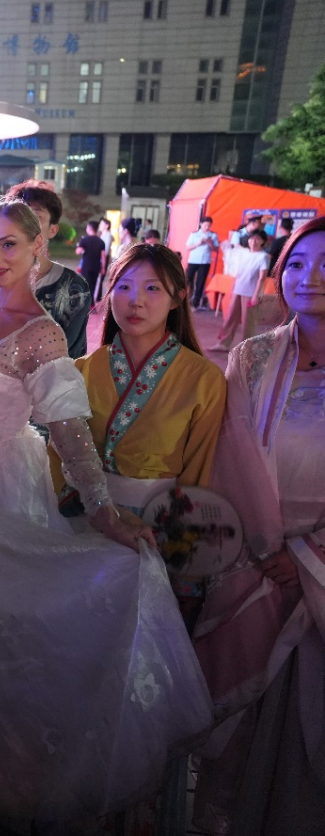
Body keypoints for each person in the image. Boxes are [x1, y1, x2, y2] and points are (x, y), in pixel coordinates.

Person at [0, 198, 212, 831]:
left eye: (9, 244)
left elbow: (68, 429)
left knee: (0, 616)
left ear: (39, 247)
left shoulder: (41, 332)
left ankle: (11, 763)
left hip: (1, 483)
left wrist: (102, 510)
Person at [50, 244, 227, 832]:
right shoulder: (82, 370)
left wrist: (181, 557)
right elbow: (58, 460)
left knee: (140, 682)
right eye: (124, 286)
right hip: (84, 529)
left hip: (157, 541)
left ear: (178, 297)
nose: (135, 301)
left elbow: (200, 477)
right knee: (82, 672)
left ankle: (137, 804)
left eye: (153, 288)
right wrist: (81, 508)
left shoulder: (204, 379)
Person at [190, 216, 325, 835]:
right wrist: (267, 548)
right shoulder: (254, 355)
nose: (309, 277)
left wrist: (307, 556)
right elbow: (231, 456)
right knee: (243, 744)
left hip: (315, 570)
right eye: (297, 263)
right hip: (254, 563)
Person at [0, 180, 92, 359]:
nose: (25, 223)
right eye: (17, 215)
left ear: (53, 230)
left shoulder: (73, 288)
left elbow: (70, 356)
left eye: (34, 216)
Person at [213, 228, 270, 351]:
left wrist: (256, 296)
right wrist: (233, 288)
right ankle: (224, 344)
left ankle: (246, 348)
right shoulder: (244, 253)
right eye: (251, 239)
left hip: (251, 293)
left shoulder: (263, 256)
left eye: (257, 239)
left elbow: (262, 278)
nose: (253, 241)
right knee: (230, 318)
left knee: (248, 322)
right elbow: (239, 273)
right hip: (238, 290)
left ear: (263, 241)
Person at [185, 216, 221, 310]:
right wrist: (198, 243)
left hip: (205, 262)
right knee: (187, 279)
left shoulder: (213, 235)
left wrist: (210, 243)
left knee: (200, 282)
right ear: (201, 224)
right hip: (193, 260)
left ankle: (195, 304)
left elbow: (216, 249)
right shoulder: (194, 234)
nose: (207, 227)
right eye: (205, 225)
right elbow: (188, 247)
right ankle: (184, 299)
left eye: (209, 225)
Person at [76, 219, 107, 298]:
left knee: (85, 283)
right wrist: (103, 268)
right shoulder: (101, 241)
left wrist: (79, 246)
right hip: (96, 266)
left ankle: (85, 300)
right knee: (93, 284)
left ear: (89, 228)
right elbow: (103, 256)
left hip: (86, 266)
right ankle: (92, 301)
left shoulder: (84, 240)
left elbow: (78, 252)